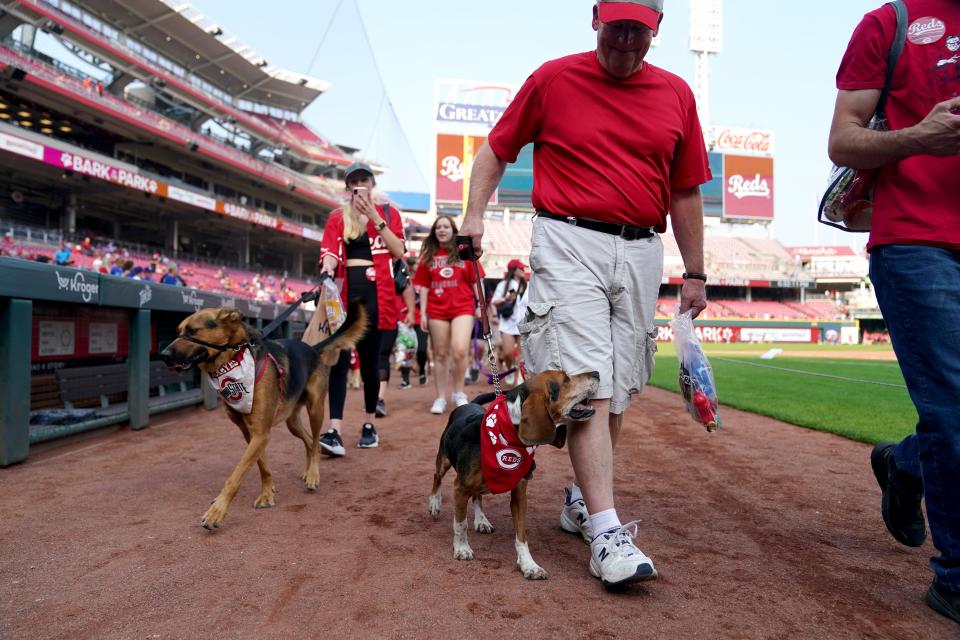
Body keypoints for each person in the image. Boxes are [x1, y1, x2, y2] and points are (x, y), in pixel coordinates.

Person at [459, 0, 710, 589]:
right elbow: (497, 148)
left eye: (638, 30)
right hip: (568, 238)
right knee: (590, 383)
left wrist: (694, 270)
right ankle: (605, 531)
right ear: (595, 18)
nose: (626, 39)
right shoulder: (553, 79)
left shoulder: (676, 93)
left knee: (620, 387)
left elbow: (685, 190)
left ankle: (579, 500)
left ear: (656, 30)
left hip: (643, 249)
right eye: (616, 25)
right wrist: (474, 212)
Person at [828, 0, 960, 625]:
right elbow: (843, 139)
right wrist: (919, 137)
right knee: (955, 410)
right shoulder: (894, 22)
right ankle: (955, 580)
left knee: (951, 416)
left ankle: (904, 462)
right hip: (918, 243)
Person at [318, 162, 406, 454]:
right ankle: (334, 430)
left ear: (372, 184)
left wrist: (373, 216)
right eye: (353, 181)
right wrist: (327, 269)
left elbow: (399, 251)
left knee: (370, 363)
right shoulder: (336, 217)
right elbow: (329, 252)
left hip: (378, 294)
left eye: (364, 179)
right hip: (344, 294)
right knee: (340, 362)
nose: (359, 185)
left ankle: (369, 423)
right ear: (347, 188)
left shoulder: (389, 214)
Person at [413, 215, 484, 415]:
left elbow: (476, 280)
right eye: (438, 227)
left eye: (446, 227)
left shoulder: (464, 253)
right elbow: (424, 287)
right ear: (434, 233)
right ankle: (440, 397)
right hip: (436, 310)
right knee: (440, 354)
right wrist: (424, 313)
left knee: (460, 350)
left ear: (453, 230)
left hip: (463, 307)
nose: (442, 230)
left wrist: (481, 305)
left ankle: (459, 393)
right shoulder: (428, 257)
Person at [491, 259, 529, 386]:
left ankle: (519, 378)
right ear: (514, 270)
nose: (523, 271)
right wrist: (506, 298)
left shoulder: (528, 285)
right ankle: (510, 369)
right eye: (521, 269)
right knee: (507, 353)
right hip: (508, 323)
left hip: (524, 323)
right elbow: (494, 302)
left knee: (522, 355)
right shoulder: (503, 285)